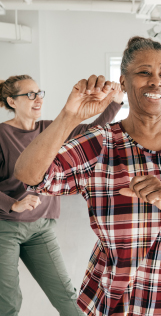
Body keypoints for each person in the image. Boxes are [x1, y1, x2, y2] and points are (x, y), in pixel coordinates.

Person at [14, 37, 161, 316]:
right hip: (115, 301)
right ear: (123, 83)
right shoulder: (101, 142)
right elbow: (31, 176)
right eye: (144, 72)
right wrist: (70, 116)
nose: (156, 82)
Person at [0, 74, 124, 316]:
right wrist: (13, 204)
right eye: (30, 95)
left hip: (41, 227)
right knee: (8, 303)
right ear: (12, 101)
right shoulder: (1, 135)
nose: (38, 99)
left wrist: (115, 102)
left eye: (39, 93)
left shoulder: (49, 128)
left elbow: (90, 131)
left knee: (67, 297)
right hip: (5, 228)